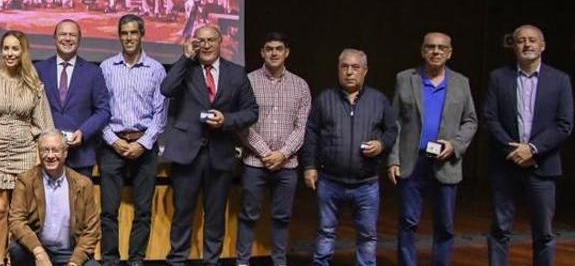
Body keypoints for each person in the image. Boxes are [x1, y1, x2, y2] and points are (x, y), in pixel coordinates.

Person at [160, 24, 257, 266]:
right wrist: (184, 58)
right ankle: (177, 261)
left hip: (220, 152)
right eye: (200, 40)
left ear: (220, 41)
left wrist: (227, 120)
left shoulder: (236, 73)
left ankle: (211, 261)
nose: (205, 45)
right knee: (182, 214)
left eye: (210, 40)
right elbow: (166, 89)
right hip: (187, 153)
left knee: (215, 217)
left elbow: (251, 112)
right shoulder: (187, 69)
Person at [484, 25, 573, 266]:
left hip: (542, 166)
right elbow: (490, 118)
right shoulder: (498, 77)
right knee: (500, 229)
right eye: (521, 40)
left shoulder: (560, 80)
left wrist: (533, 149)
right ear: (513, 45)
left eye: (532, 40)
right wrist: (513, 150)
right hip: (506, 165)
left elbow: (564, 124)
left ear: (542, 46)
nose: (527, 44)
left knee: (543, 232)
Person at [388, 32, 478, 266]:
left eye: (441, 48)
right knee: (408, 223)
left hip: (445, 162)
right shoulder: (405, 79)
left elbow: (470, 120)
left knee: (445, 226)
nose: (435, 51)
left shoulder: (461, 82)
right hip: (412, 161)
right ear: (422, 51)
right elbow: (394, 122)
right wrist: (394, 158)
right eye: (430, 47)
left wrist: (455, 145)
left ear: (449, 53)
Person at [302, 49, 398, 266]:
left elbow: (392, 130)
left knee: (367, 235)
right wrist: (309, 166)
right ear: (338, 70)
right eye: (344, 67)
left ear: (365, 71)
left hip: (366, 184)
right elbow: (311, 134)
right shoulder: (324, 99)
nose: (349, 72)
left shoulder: (379, 100)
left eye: (355, 67)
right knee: (325, 232)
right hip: (330, 181)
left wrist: (381, 144)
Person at [0, 30, 56, 265]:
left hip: (25, 151)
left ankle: (15, 258)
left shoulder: (34, 85)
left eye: (15, 48)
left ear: (23, 51)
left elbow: (44, 127)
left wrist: (39, 162)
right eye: (6, 48)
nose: (10, 53)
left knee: (20, 212)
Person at [97, 14, 167, 266]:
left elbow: (160, 114)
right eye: (124, 33)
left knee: (143, 211)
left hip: (144, 147)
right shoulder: (105, 68)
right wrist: (113, 140)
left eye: (133, 33)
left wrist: (142, 144)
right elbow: (100, 108)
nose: (128, 38)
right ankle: (110, 259)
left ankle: (137, 259)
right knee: (108, 211)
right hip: (111, 144)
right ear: (119, 36)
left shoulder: (156, 70)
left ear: (142, 34)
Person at [235, 32, 309, 266]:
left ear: (287, 52)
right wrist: (266, 153)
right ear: (262, 53)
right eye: (269, 49)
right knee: (248, 216)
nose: (274, 53)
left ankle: (279, 261)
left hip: (287, 165)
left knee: (282, 217)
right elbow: (242, 123)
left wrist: (283, 154)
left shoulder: (300, 85)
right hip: (255, 162)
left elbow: (302, 127)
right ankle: (242, 262)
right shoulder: (248, 81)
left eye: (279, 48)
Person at [7, 130, 101, 266]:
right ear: (39, 153)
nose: (50, 155)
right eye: (45, 150)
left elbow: (92, 231)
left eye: (55, 150)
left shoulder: (83, 184)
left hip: (70, 253)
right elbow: (16, 221)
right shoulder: (25, 181)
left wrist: (74, 262)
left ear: (65, 153)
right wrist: (38, 252)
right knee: (16, 249)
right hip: (36, 249)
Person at [34, 20, 110, 175]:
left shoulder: (93, 72)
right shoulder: (39, 69)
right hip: (45, 154)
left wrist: (83, 132)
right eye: (63, 34)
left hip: (81, 156)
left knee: (79, 200)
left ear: (79, 40)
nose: (67, 38)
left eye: (72, 35)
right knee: (44, 200)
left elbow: (103, 111)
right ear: (54, 38)